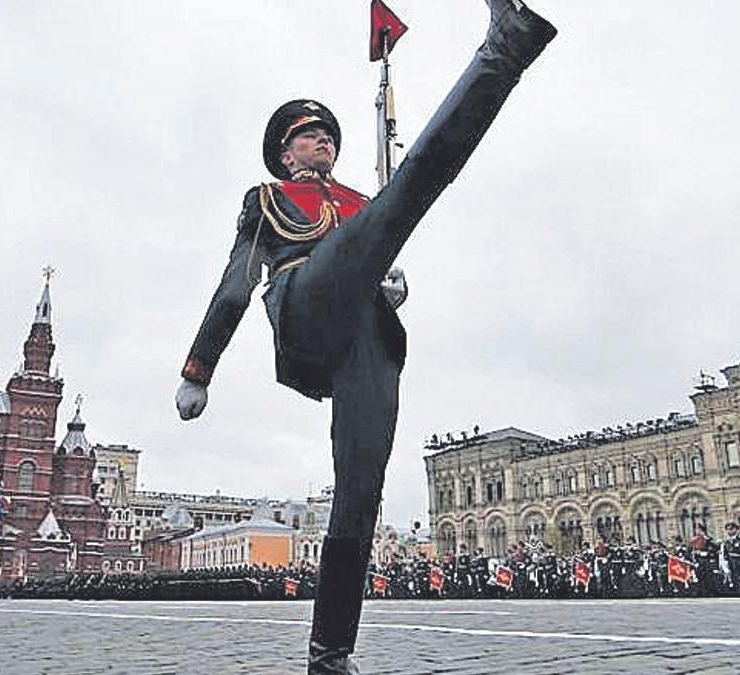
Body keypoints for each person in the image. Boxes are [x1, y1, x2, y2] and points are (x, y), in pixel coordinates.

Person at [173, 1, 556, 671]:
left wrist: (384, 282)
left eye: (326, 135)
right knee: (411, 187)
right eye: (307, 135)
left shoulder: (355, 201)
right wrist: (200, 367)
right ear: (284, 149)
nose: (322, 142)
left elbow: (370, 241)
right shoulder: (266, 199)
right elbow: (236, 282)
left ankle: (330, 650)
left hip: (368, 338)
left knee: (362, 489)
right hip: (304, 307)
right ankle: (505, 48)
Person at [723, 521, 740, 595]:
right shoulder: (727, 542)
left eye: (731, 529)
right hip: (732, 563)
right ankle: (738, 592)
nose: (729, 531)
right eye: (728, 529)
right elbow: (726, 553)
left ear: (736, 529)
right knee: (735, 578)